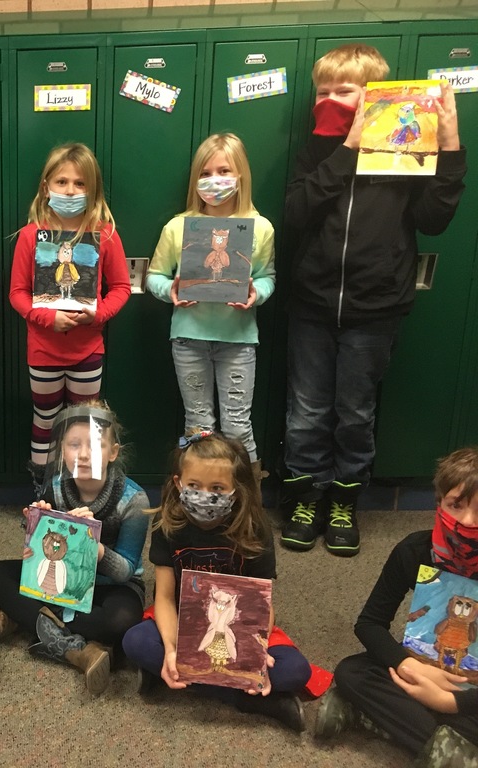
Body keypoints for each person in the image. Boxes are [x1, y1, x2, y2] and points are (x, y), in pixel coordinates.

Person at [281, 43, 466, 557]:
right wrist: (346, 150)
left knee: (355, 413)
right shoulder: (315, 153)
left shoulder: (407, 147)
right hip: (314, 304)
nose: (333, 99)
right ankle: (306, 497)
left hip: (375, 308)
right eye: (324, 91)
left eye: (347, 91)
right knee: (307, 412)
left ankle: (344, 503)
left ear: (374, 97)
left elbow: (435, 219)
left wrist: (449, 144)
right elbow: (297, 213)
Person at [122, 432, 311, 731]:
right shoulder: (167, 523)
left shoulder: (253, 528)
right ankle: (245, 699)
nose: (204, 495)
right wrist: (172, 650)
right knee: (136, 641)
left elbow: (263, 606)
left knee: (296, 671)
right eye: (194, 486)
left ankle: (168, 676)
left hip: (240, 630)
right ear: (178, 483)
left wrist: (255, 653)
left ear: (236, 490)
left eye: (217, 488)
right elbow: (165, 599)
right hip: (181, 623)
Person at [315, 446, 478, 764]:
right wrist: (410, 666)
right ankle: (450, 749)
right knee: (353, 671)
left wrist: (450, 703)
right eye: (456, 505)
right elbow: (369, 623)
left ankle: (369, 717)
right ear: (438, 504)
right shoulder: (413, 551)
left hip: (470, 689)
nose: (468, 521)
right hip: (421, 667)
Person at [0, 401, 149, 695]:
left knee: (123, 621)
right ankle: (79, 647)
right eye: (73, 445)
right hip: (61, 582)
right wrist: (35, 528)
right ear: (63, 450)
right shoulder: (57, 487)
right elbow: (40, 558)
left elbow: (126, 570)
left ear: (113, 452)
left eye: (95, 446)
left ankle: (28, 620)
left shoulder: (134, 499)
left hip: (110, 587)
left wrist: (96, 549)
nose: (83, 454)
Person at [146, 133, 275, 478]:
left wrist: (255, 293)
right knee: (198, 425)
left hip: (238, 340)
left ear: (241, 176)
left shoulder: (259, 228)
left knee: (237, 427)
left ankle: (247, 509)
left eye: (224, 171)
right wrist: (169, 289)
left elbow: (267, 277)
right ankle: (196, 499)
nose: (214, 180)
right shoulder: (178, 227)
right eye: (205, 173)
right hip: (189, 338)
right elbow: (154, 276)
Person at [8, 143, 129, 496]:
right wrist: (46, 319)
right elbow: (17, 292)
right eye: (62, 182)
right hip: (44, 351)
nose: (71, 190)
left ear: (93, 190)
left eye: (80, 183)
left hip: (88, 350)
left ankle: (82, 492)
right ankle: (43, 492)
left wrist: (98, 315)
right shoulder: (32, 235)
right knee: (45, 421)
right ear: (46, 187)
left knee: (85, 425)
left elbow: (121, 286)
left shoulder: (103, 234)